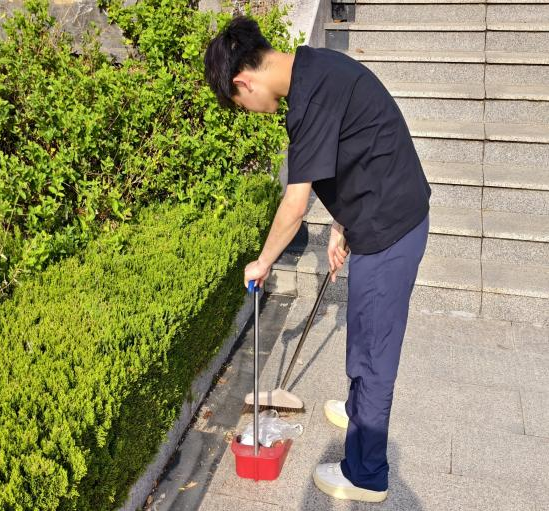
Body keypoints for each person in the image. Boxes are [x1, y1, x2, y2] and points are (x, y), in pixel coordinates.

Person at [204, 15, 431, 503]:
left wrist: (263, 262)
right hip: (379, 217)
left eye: (240, 104)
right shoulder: (316, 69)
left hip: (390, 231)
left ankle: (366, 474)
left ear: (243, 82)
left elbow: (294, 203)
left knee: (373, 354)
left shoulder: (309, 99)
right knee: (363, 331)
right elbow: (360, 147)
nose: (250, 111)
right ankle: (359, 410)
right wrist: (341, 223)